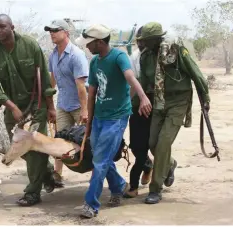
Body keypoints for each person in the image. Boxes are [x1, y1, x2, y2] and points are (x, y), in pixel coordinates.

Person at [75, 24, 152, 218]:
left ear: (100, 42)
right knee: (100, 157)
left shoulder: (119, 57)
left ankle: (91, 204)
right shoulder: (94, 63)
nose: (87, 47)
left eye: (89, 43)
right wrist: (90, 122)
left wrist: (142, 97)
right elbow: (92, 93)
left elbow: (130, 77)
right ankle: (118, 186)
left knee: (100, 160)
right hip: (99, 117)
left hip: (116, 118)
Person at [0, 14, 58, 206]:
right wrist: (12, 106)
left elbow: (46, 80)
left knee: (32, 148)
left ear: (12, 27)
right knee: (19, 147)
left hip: (36, 106)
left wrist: (50, 107)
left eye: (2, 26)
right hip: (12, 106)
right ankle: (47, 171)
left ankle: (32, 193)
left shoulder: (30, 45)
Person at [137, 22, 210, 204]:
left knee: (163, 144)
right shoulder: (145, 57)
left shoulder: (175, 50)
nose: (143, 44)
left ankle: (155, 189)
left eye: (146, 41)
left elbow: (196, 73)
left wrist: (205, 97)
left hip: (178, 101)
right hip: (158, 102)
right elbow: (144, 83)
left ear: (156, 39)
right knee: (153, 143)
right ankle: (170, 164)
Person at [44, 19, 89, 188]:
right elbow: (52, 81)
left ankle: (97, 174)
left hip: (79, 106)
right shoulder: (53, 55)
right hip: (63, 105)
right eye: (50, 30)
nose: (52, 33)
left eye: (55, 30)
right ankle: (57, 175)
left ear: (66, 33)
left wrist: (85, 111)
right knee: (59, 140)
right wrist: (49, 104)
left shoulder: (77, 55)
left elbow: (82, 87)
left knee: (88, 141)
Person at [124, 26, 154, 198]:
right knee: (136, 146)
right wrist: (127, 104)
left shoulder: (160, 58)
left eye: (145, 41)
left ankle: (134, 185)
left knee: (155, 145)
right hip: (137, 108)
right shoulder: (134, 57)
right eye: (139, 41)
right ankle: (148, 166)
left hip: (157, 108)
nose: (141, 44)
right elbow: (132, 84)